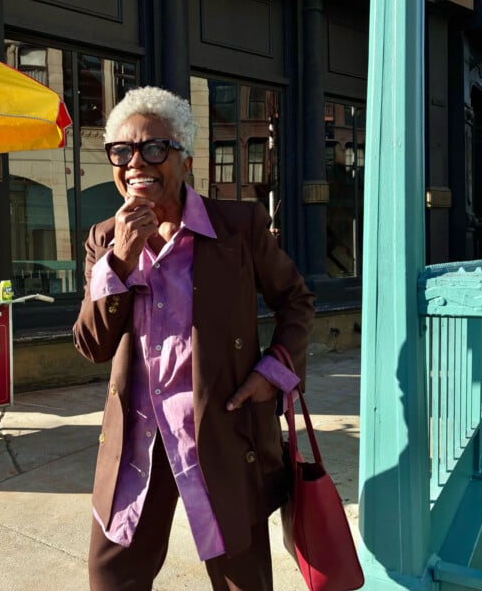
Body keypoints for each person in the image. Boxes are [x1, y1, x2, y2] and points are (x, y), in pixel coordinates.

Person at [73, 86, 315, 591]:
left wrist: (274, 373)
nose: (136, 162)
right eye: (121, 151)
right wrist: (120, 258)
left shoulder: (237, 227)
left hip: (221, 432)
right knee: (110, 575)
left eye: (153, 149)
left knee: (240, 578)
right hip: (139, 436)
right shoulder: (104, 238)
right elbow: (93, 345)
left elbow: (295, 300)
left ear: (184, 159)